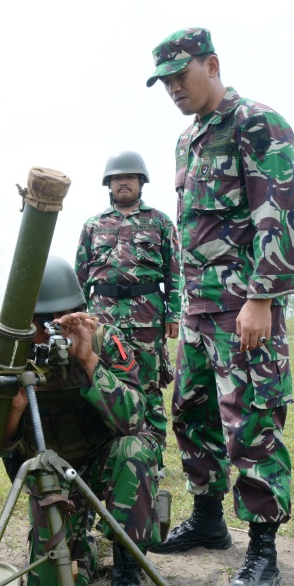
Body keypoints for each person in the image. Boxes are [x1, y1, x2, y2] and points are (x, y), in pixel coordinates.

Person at [146, 27, 294, 586]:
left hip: (243, 308)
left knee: (252, 421)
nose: (172, 89)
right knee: (192, 413)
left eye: (180, 76)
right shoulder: (187, 139)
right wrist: (183, 308)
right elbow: (192, 230)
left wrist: (262, 298)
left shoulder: (257, 123)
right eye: (164, 82)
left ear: (211, 64)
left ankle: (263, 550)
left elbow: (277, 213)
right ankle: (209, 520)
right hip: (197, 309)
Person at [1, 255, 161, 586]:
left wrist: (88, 360)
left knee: (135, 451)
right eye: (44, 320)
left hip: (104, 463)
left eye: (63, 317)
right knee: (49, 583)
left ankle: (127, 574)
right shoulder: (7, 353)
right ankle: (80, 545)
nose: (54, 329)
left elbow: (133, 419)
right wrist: (14, 409)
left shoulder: (104, 341)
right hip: (52, 476)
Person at [75, 151, 180, 453]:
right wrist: (77, 318)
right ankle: (110, 451)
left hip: (147, 316)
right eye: (117, 178)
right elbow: (79, 276)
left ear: (141, 182)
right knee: (104, 379)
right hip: (102, 318)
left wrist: (173, 314)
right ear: (108, 184)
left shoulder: (160, 222)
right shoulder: (93, 225)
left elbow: (175, 271)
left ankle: (153, 455)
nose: (123, 182)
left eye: (130, 177)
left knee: (149, 383)